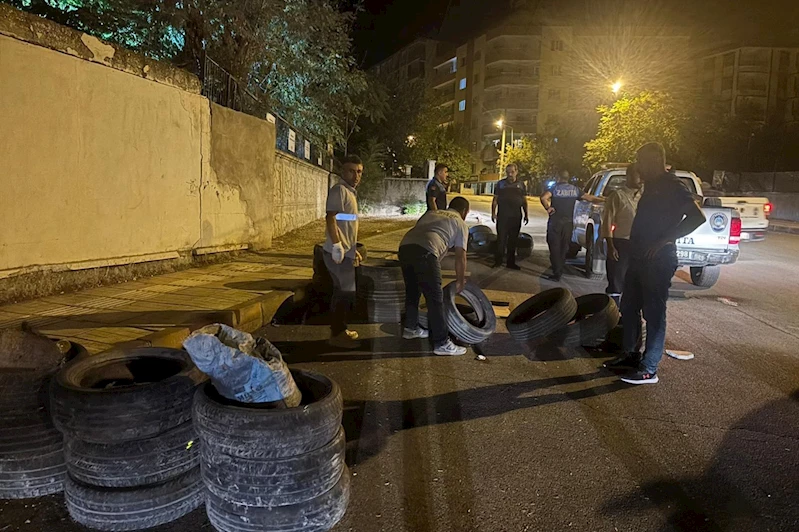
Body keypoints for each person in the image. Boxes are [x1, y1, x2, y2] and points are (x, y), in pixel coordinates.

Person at [606, 143, 706, 384]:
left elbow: (697, 217)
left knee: (654, 313)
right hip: (639, 256)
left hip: (658, 260)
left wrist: (664, 240)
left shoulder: (672, 186)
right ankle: (630, 356)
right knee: (629, 308)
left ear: (654, 160)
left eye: (641, 161)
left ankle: (649, 368)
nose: (638, 166)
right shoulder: (650, 185)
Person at [398, 197, 470, 356]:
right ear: (465, 211)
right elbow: (460, 256)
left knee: (413, 291)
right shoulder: (460, 223)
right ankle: (441, 343)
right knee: (435, 299)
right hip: (425, 251)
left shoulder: (432, 213)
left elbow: (428, 238)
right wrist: (460, 280)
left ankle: (410, 328)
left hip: (405, 247)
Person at [323, 154, 364, 349]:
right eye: (351, 170)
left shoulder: (350, 193)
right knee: (343, 294)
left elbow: (346, 223)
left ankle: (340, 330)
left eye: (359, 172)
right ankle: (337, 335)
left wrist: (351, 249)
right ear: (343, 171)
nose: (356, 175)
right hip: (336, 253)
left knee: (345, 294)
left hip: (345, 252)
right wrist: (338, 245)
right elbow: (331, 218)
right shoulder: (339, 190)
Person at [539, 170, 604, 281]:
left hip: (555, 222)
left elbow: (544, 197)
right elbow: (590, 198)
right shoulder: (575, 190)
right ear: (568, 178)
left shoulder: (555, 188)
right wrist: (606, 200)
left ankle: (557, 272)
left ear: (558, 178)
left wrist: (548, 208)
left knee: (554, 247)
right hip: (568, 223)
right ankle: (559, 270)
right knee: (564, 248)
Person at [601, 164, 644, 305]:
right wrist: (611, 246)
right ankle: (612, 313)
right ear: (629, 176)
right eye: (638, 175)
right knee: (616, 281)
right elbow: (607, 221)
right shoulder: (617, 196)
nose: (641, 178)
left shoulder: (645, 197)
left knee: (634, 282)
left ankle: (630, 316)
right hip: (621, 244)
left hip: (639, 245)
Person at [491, 163, 529, 270]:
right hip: (503, 216)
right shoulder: (500, 184)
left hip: (516, 217)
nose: (510, 174)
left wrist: (526, 214)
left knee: (513, 241)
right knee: (501, 240)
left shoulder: (521, 185)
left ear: (516, 172)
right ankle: (498, 261)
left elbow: (524, 201)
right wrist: (493, 213)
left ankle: (510, 262)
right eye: (508, 172)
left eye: (512, 172)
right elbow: (495, 200)